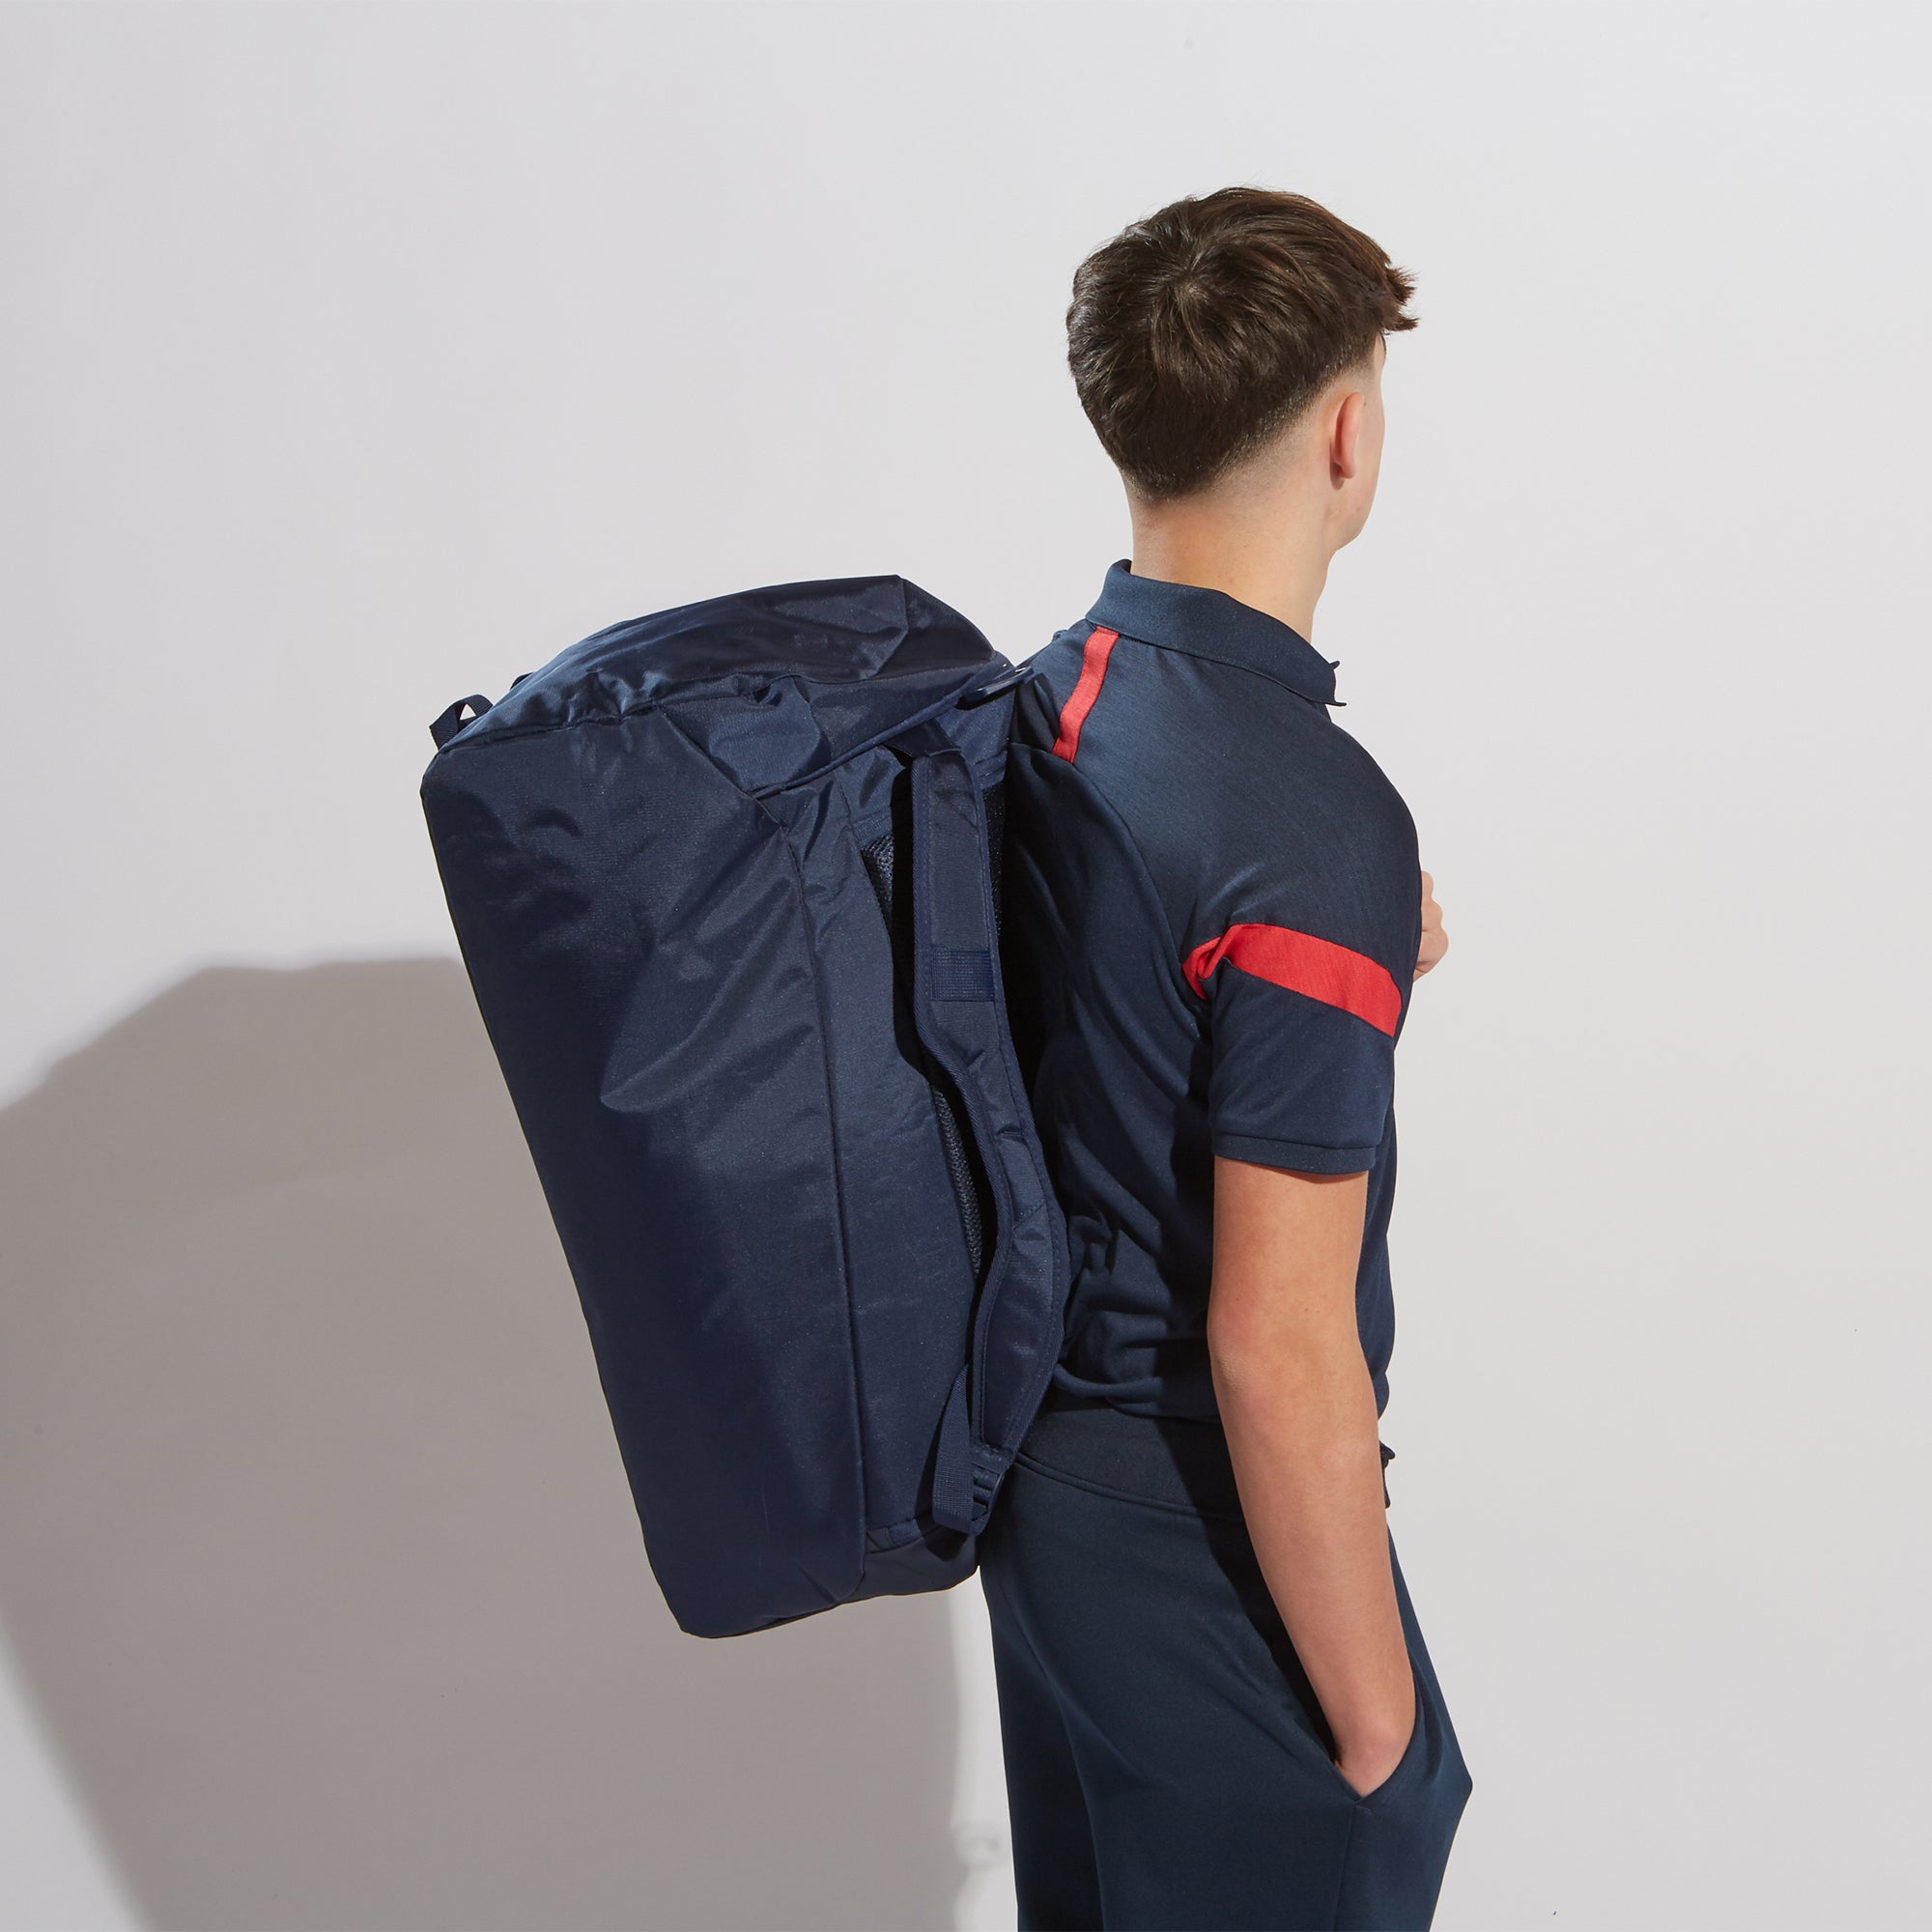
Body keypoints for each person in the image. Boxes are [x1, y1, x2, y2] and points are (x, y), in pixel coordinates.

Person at [985, 186, 1473, 1930]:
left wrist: (1351, 929)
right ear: (1348, 433)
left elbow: (1111, 1011)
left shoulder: (1045, 708)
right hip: (1206, 1526)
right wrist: (1382, 1732)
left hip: (1050, 1511)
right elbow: (1277, 1344)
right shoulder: (1306, 819)